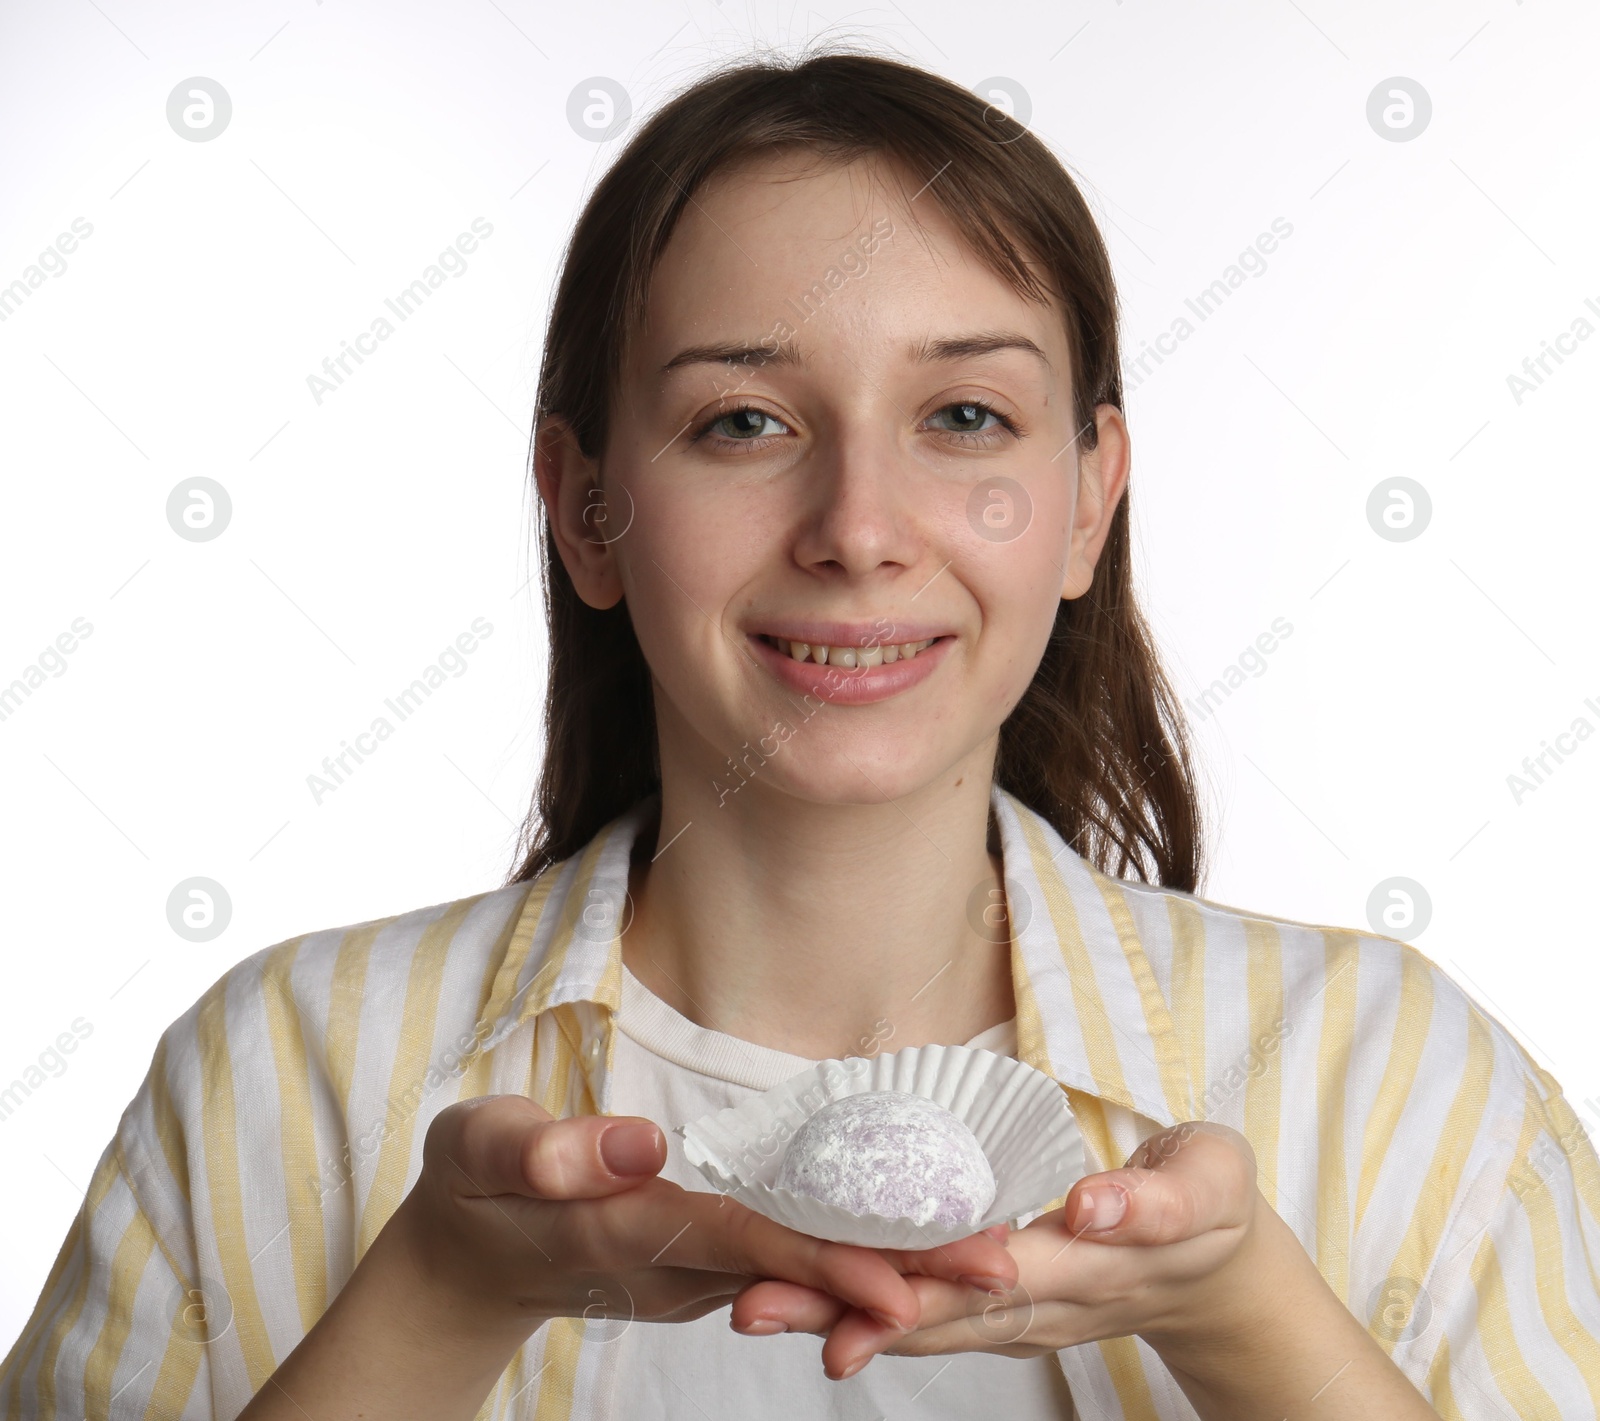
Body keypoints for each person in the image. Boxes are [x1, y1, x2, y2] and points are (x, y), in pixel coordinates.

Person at [5, 46, 1598, 1421]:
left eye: (962, 414)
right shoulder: (276, 1076)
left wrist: (1246, 1308)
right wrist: (435, 1289)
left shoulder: (1400, 1078)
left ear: (1088, 502)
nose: (857, 526)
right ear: (586, 510)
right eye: (743, 423)